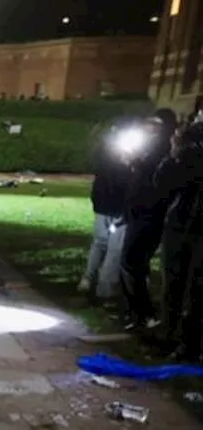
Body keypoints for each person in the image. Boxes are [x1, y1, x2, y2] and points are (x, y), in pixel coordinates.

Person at [119, 110, 179, 330]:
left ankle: (144, 313)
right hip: (138, 212)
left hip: (150, 214)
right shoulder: (151, 147)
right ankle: (135, 312)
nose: (150, 128)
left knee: (132, 262)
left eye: (155, 124)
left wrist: (137, 161)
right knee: (132, 264)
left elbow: (159, 180)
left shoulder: (166, 151)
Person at [157, 122, 203, 357]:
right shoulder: (191, 141)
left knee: (194, 289)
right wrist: (176, 153)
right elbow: (164, 183)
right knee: (174, 284)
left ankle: (187, 342)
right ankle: (171, 334)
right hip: (181, 224)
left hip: (194, 228)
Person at [80, 119, 137, 300]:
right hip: (115, 209)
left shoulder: (104, 154)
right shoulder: (116, 158)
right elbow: (121, 182)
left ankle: (88, 280)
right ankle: (104, 289)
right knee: (112, 248)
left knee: (100, 243)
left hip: (104, 206)